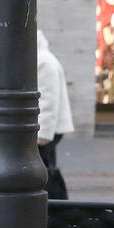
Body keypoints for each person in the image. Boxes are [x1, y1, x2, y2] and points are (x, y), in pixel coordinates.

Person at [36, 29, 74, 200]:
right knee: (46, 166)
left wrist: (43, 133)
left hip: (48, 129)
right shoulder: (40, 59)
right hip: (47, 127)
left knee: (46, 167)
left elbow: (48, 100)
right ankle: (54, 203)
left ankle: (56, 202)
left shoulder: (44, 61)